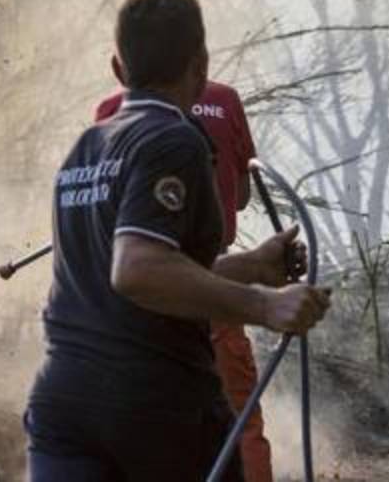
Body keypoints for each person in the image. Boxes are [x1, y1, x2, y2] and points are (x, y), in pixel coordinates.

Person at [25, 0, 331, 481]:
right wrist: (264, 305)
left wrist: (253, 267)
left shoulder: (85, 148)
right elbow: (138, 270)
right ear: (201, 65)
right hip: (154, 407)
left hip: (64, 408)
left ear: (118, 68)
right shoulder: (174, 139)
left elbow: (145, 276)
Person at [96, 82, 274, 482]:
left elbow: (102, 203)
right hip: (214, 281)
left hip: (138, 289)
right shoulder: (223, 99)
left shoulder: (110, 109)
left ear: (122, 65)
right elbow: (240, 196)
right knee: (239, 415)